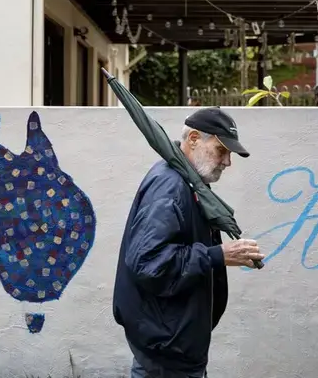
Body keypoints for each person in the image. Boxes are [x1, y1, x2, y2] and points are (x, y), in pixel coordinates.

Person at [112, 107, 265, 378]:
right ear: (194, 139)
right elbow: (149, 263)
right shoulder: (169, 187)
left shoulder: (187, 182)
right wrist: (218, 255)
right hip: (168, 350)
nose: (227, 162)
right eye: (221, 150)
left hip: (173, 343)